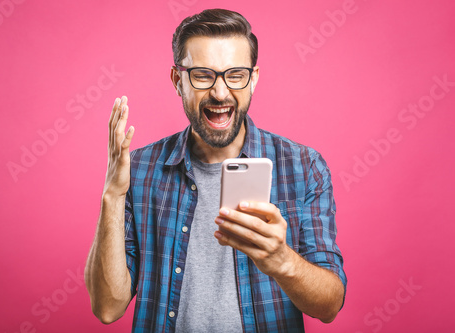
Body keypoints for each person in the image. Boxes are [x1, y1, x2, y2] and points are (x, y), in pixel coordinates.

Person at [84, 8, 347, 333]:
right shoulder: (138, 170)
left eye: (235, 74)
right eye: (203, 75)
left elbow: (330, 306)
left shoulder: (304, 167)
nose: (220, 93)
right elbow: (108, 307)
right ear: (177, 80)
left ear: (253, 78)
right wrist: (112, 194)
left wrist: (281, 260)